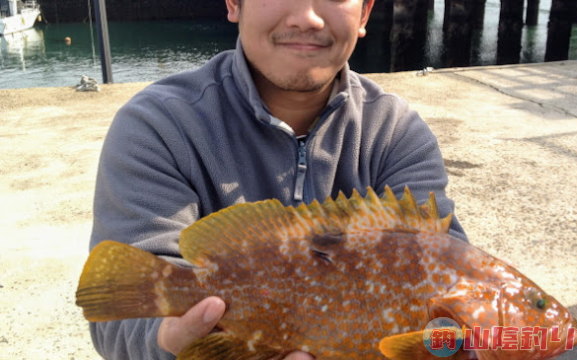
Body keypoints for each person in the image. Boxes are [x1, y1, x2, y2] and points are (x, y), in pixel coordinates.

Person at [87, 0, 466, 358]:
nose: (307, 18)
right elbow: (118, 312)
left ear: (365, 13)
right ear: (234, 3)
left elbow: (444, 263)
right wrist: (171, 344)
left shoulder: (396, 133)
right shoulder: (158, 127)